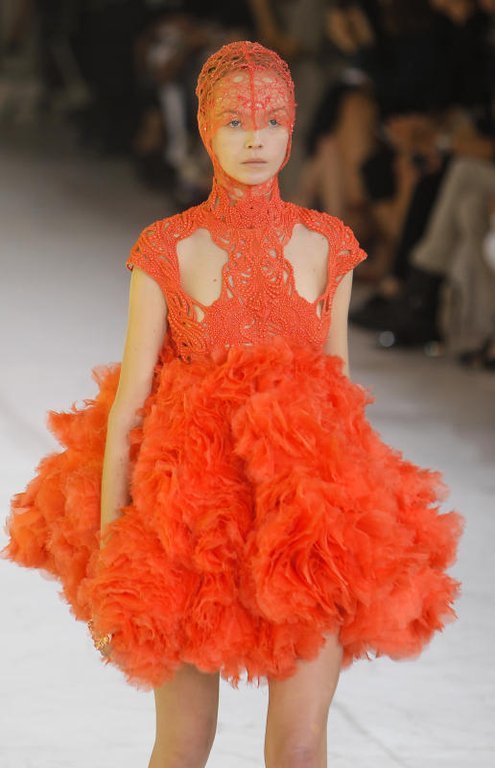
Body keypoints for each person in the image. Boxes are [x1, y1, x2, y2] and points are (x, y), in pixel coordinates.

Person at [2, 41, 465, 768]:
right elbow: (129, 407)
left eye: (273, 120)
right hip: (192, 522)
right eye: (235, 121)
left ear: (293, 127)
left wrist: (364, 524)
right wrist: (112, 560)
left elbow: (339, 393)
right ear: (204, 129)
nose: (255, 139)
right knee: (184, 746)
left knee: (300, 747)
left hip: (306, 521)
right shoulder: (167, 248)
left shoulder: (329, 244)